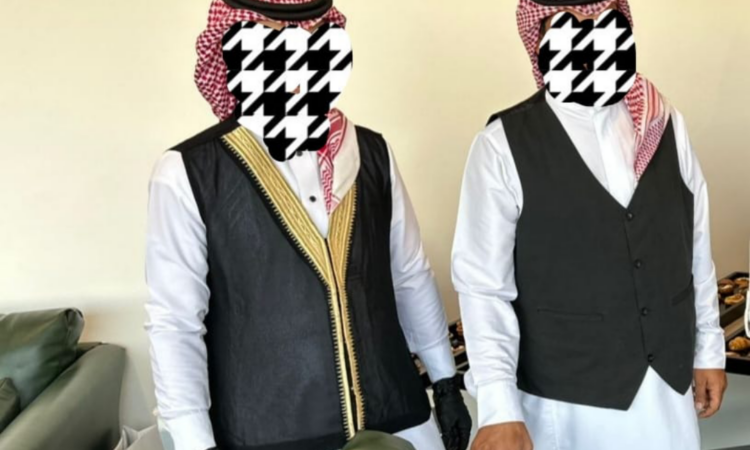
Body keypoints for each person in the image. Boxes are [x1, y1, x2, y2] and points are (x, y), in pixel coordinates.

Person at [144, 1, 471, 450]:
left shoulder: (373, 153)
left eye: (310, 31)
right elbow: (175, 323)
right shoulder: (189, 172)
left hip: (398, 420)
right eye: (272, 31)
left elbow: (409, 276)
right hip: (267, 437)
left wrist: (445, 382)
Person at [452, 1, 727, 449]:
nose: (588, 36)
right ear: (540, 36)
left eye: (600, 21)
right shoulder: (501, 145)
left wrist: (709, 349)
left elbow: (694, 243)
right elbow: (483, 286)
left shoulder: (665, 122)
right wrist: (499, 408)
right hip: (566, 405)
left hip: (667, 391)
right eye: (569, 24)